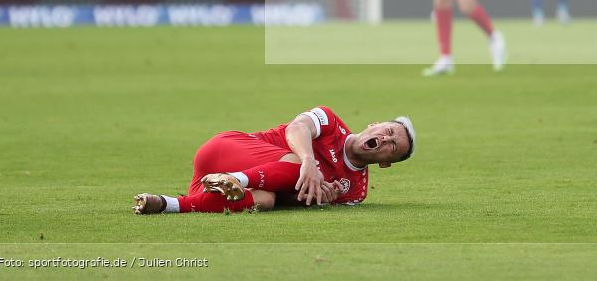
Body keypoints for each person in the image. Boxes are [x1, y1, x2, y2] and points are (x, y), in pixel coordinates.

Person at [133, 106, 416, 214]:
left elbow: (284, 199)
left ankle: (168, 204)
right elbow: (297, 128)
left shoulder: (355, 192)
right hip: (225, 149)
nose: (385, 140)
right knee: (297, 165)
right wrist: (308, 161)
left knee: (265, 201)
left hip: (215, 182)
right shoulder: (330, 121)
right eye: (389, 132)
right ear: (374, 124)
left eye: (393, 147)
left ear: (386, 163)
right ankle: (235, 178)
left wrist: (315, 198)